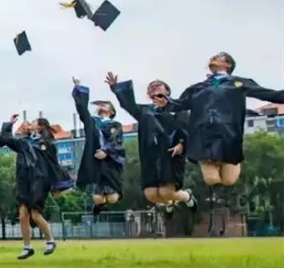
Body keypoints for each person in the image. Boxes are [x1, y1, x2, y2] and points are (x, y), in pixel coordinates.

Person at [167, 52, 284, 189]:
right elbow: (179, 105)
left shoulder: (238, 83)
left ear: (228, 64)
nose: (212, 59)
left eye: (217, 58)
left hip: (228, 134)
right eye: (212, 58)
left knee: (228, 180)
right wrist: (164, 101)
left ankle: (229, 162)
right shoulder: (196, 88)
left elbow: (268, 94)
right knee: (211, 179)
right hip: (203, 135)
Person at [106, 73, 196, 213]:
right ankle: (169, 203)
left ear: (167, 91)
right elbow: (128, 105)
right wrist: (116, 88)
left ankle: (187, 196)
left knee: (166, 192)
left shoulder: (178, 108)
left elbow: (188, 129)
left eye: (157, 86)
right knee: (151, 195)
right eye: (150, 88)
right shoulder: (145, 111)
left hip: (170, 153)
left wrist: (182, 145)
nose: (153, 88)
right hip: (150, 156)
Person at [0, 115, 58, 259]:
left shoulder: (47, 142)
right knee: (23, 214)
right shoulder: (24, 142)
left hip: (39, 180)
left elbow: (53, 165)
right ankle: (27, 247)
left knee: (35, 215)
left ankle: (50, 240)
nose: (29, 124)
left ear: (41, 126)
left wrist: (56, 185)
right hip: (24, 180)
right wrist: (9, 124)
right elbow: (7, 139)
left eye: (33, 122)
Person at [72, 77, 126, 215]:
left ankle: (116, 195)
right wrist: (78, 88)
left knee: (113, 198)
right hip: (96, 162)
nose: (101, 106)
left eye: (105, 105)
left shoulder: (115, 125)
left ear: (111, 111)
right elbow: (82, 110)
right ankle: (99, 205)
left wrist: (106, 151)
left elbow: (116, 140)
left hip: (110, 162)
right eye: (99, 105)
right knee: (97, 198)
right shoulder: (93, 122)